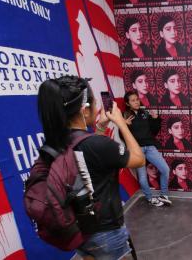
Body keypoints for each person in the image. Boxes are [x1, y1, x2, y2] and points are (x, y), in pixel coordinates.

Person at [37, 76, 145, 259]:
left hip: (79, 230)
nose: (97, 107)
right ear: (84, 110)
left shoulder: (56, 142)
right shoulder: (97, 144)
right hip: (106, 232)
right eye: (94, 102)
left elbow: (87, 159)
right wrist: (120, 123)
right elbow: (138, 159)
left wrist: (101, 128)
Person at [123, 90, 172, 207]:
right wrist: (125, 126)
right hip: (137, 149)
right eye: (133, 100)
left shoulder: (144, 113)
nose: (136, 102)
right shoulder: (125, 116)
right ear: (128, 103)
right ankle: (150, 198)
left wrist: (155, 119)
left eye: (137, 99)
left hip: (150, 146)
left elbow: (153, 131)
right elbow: (124, 136)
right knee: (143, 177)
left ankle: (163, 195)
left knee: (165, 169)